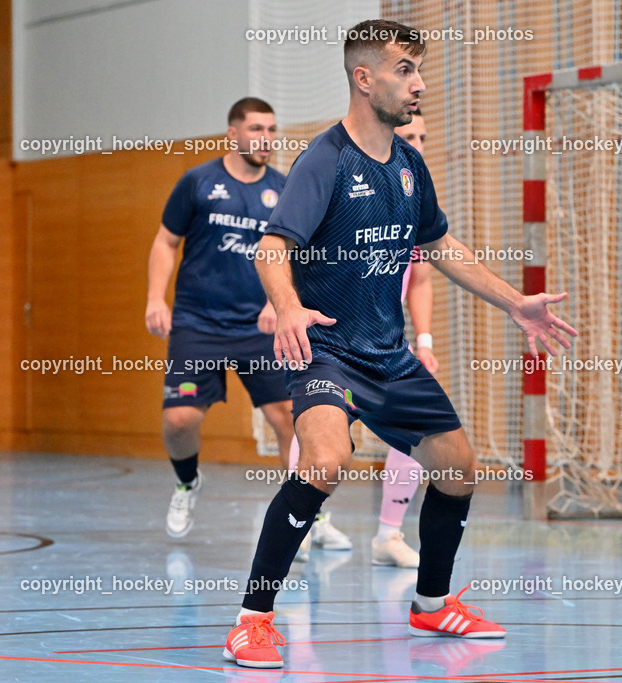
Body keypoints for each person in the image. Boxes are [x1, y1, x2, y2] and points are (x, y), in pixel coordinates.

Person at [222, 20, 576, 669]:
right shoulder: (325, 160)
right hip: (331, 348)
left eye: (418, 69)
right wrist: (289, 305)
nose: (419, 83)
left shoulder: (410, 165)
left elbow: (440, 246)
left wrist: (515, 301)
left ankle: (433, 602)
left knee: (459, 465)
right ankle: (252, 619)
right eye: (406, 69)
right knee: (325, 461)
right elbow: (272, 247)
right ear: (365, 78)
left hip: (389, 355)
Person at [146, 98, 295, 538]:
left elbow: (294, 255)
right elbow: (165, 242)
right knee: (179, 421)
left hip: (260, 327)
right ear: (233, 134)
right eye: (255, 129)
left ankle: (303, 515)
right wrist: (156, 298)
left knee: (290, 417)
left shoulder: (285, 190)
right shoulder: (197, 182)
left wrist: (279, 302)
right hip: (199, 324)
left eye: (271, 129)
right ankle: (187, 481)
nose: (264, 138)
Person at [297, 109, 436, 568]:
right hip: (331, 337)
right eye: (409, 133)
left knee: (415, 430)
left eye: (423, 136)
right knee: (322, 433)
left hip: (387, 341)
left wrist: (426, 340)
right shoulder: (338, 171)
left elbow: (419, 280)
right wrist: (280, 305)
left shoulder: (414, 193)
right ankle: (306, 523)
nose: (416, 143)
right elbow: (288, 248)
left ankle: (390, 536)